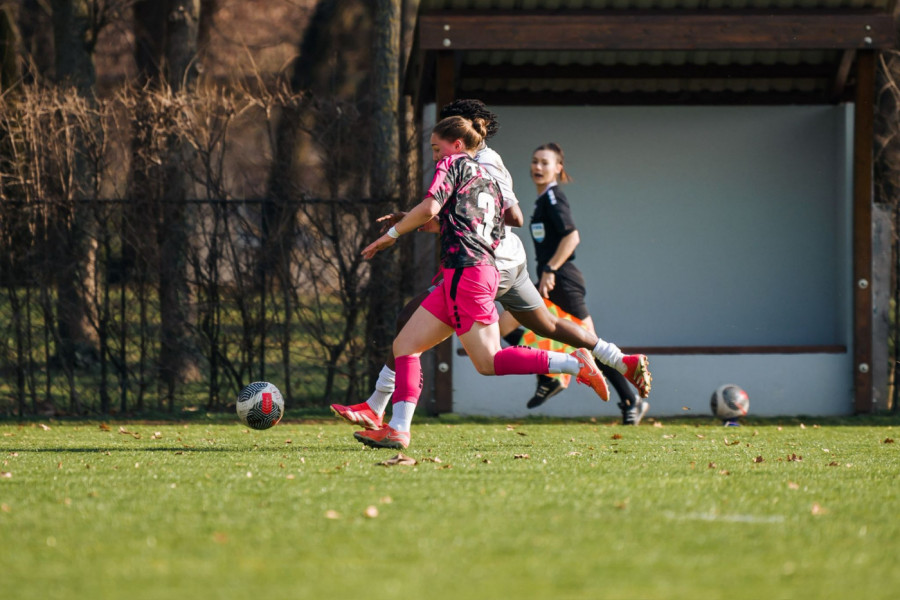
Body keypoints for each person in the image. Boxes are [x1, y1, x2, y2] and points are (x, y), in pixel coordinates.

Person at [332, 100, 650, 434]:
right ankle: (618, 359)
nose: (438, 148)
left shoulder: (475, 161)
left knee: (460, 347)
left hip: (481, 264)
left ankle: (380, 409)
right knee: (547, 325)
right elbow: (491, 214)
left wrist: (404, 229)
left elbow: (502, 216)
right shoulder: (482, 162)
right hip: (507, 261)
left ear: (465, 133)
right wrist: (439, 220)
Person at [509, 142, 650, 425]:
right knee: (506, 323)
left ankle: (629, 400)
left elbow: (572, 236)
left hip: (563, 281)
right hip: (549, 279)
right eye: (534, 161)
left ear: (558, 168)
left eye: (545, 163)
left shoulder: (553, 199)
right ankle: (550, 375)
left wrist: (549, 269)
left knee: (592, 346)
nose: (538, 167)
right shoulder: (541, 201)